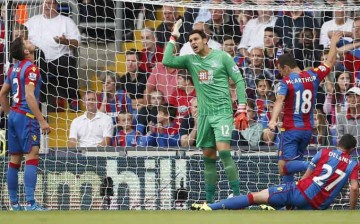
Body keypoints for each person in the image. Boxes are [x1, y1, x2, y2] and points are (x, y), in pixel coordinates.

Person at [162, 20, 247, 203]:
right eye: (190, 40)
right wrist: (174, 36)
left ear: (205, 39)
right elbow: (167, 60)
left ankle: (238, 195)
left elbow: (239, 81)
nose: (193, 43)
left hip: (223, 112)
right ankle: (209, 201)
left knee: (224, 151)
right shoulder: (190, 61)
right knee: (208, 156)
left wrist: (241, 108)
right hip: (204, 115)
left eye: (196, 39)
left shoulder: (222, 57)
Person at [191, 134, 359, 211]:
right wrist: (352, 211)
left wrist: (299, 187)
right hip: (318, 206)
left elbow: (307, 175)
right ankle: (274, 207)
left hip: (302, 192)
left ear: (338, 142)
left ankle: (210, 207)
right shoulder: (353, 163)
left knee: (254, 197)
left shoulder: (323, 152)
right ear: (352, 150)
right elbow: (353, 188)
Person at [268, 33, 342, 184]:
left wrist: (273, 120)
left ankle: (314, 165)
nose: (280, 74)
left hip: (290, 130)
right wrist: (333, 42)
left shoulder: (286, 82)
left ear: (286, 68)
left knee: (284, 166)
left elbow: (280, 100)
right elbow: (330, 61)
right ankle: (287, 204)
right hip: (307, 131)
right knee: (290, 168)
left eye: (281, 71)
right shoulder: (313, 75)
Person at [0, 37, 51, 211]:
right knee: (32, 155)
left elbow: (2, 94)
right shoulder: (32, 69)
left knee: (14, 160)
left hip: (14, 115)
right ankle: (31, 204)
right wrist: (42, 120)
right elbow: (29, 96)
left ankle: (14, 203)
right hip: (26, 116)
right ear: (26, 51)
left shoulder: (13, 69)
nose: (30, 41)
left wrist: (9, 114)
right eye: (26, 41)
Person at [25, 0, 81, 112]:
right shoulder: (33, 21)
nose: (46, 5)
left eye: (50, 3)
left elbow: (77, 43)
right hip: (38, 60)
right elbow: (21, 34)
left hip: (60, 59)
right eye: (45, 3)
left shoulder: (66, 21)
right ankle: (39, 102)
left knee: (67, 62)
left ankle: (73, 99)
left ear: (56, 5)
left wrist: (65, 41)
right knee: (37, 57)